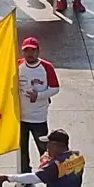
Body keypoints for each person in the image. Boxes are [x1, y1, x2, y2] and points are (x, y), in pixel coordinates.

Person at [17, 37, 60, 175]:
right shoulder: (17, 65)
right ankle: (24, 174)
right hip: (20, 118)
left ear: (38, 51)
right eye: (26, 50)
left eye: (33, 50)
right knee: (22, 150)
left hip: (39, 118)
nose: (30, 53)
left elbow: (55, 88)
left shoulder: (46, 67)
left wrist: (39, 95)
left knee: (45, 149)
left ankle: (47, 174)